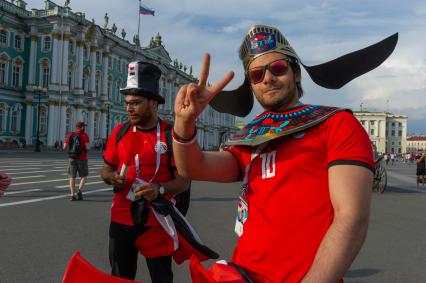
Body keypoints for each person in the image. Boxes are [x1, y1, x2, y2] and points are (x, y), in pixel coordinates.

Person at [172, 24, 397, 282]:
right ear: (252, 85)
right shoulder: (252, 135)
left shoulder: (335, 124)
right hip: (242, 275)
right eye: (257, 74)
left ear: (296, 73)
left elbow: (351, 218)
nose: (267, 78)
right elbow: (193, 167)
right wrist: (184, 123)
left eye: (277, 68)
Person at [100, 61, 190, 282]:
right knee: (120, 277)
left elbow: (184, 181)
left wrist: (159, 189)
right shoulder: (119, 132)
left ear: (153, 103)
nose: (129, 108)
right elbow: (106, 168)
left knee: (161, 277)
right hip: (121, 218)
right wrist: (111, 178)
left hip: (157, 221)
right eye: (127, 103)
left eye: (136, 103)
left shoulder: (171, 135)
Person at [64, 121, 90, 201]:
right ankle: (79, 190)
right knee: (84, 176)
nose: (84, 128)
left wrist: (71, 151)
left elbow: (64, 147)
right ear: (81, 127)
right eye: (84, 126)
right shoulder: (84, 135)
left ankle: (72, 194)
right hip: (82, 158)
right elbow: (87, 148)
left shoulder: (70, 135)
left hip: (72, 158)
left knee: (72, 176)